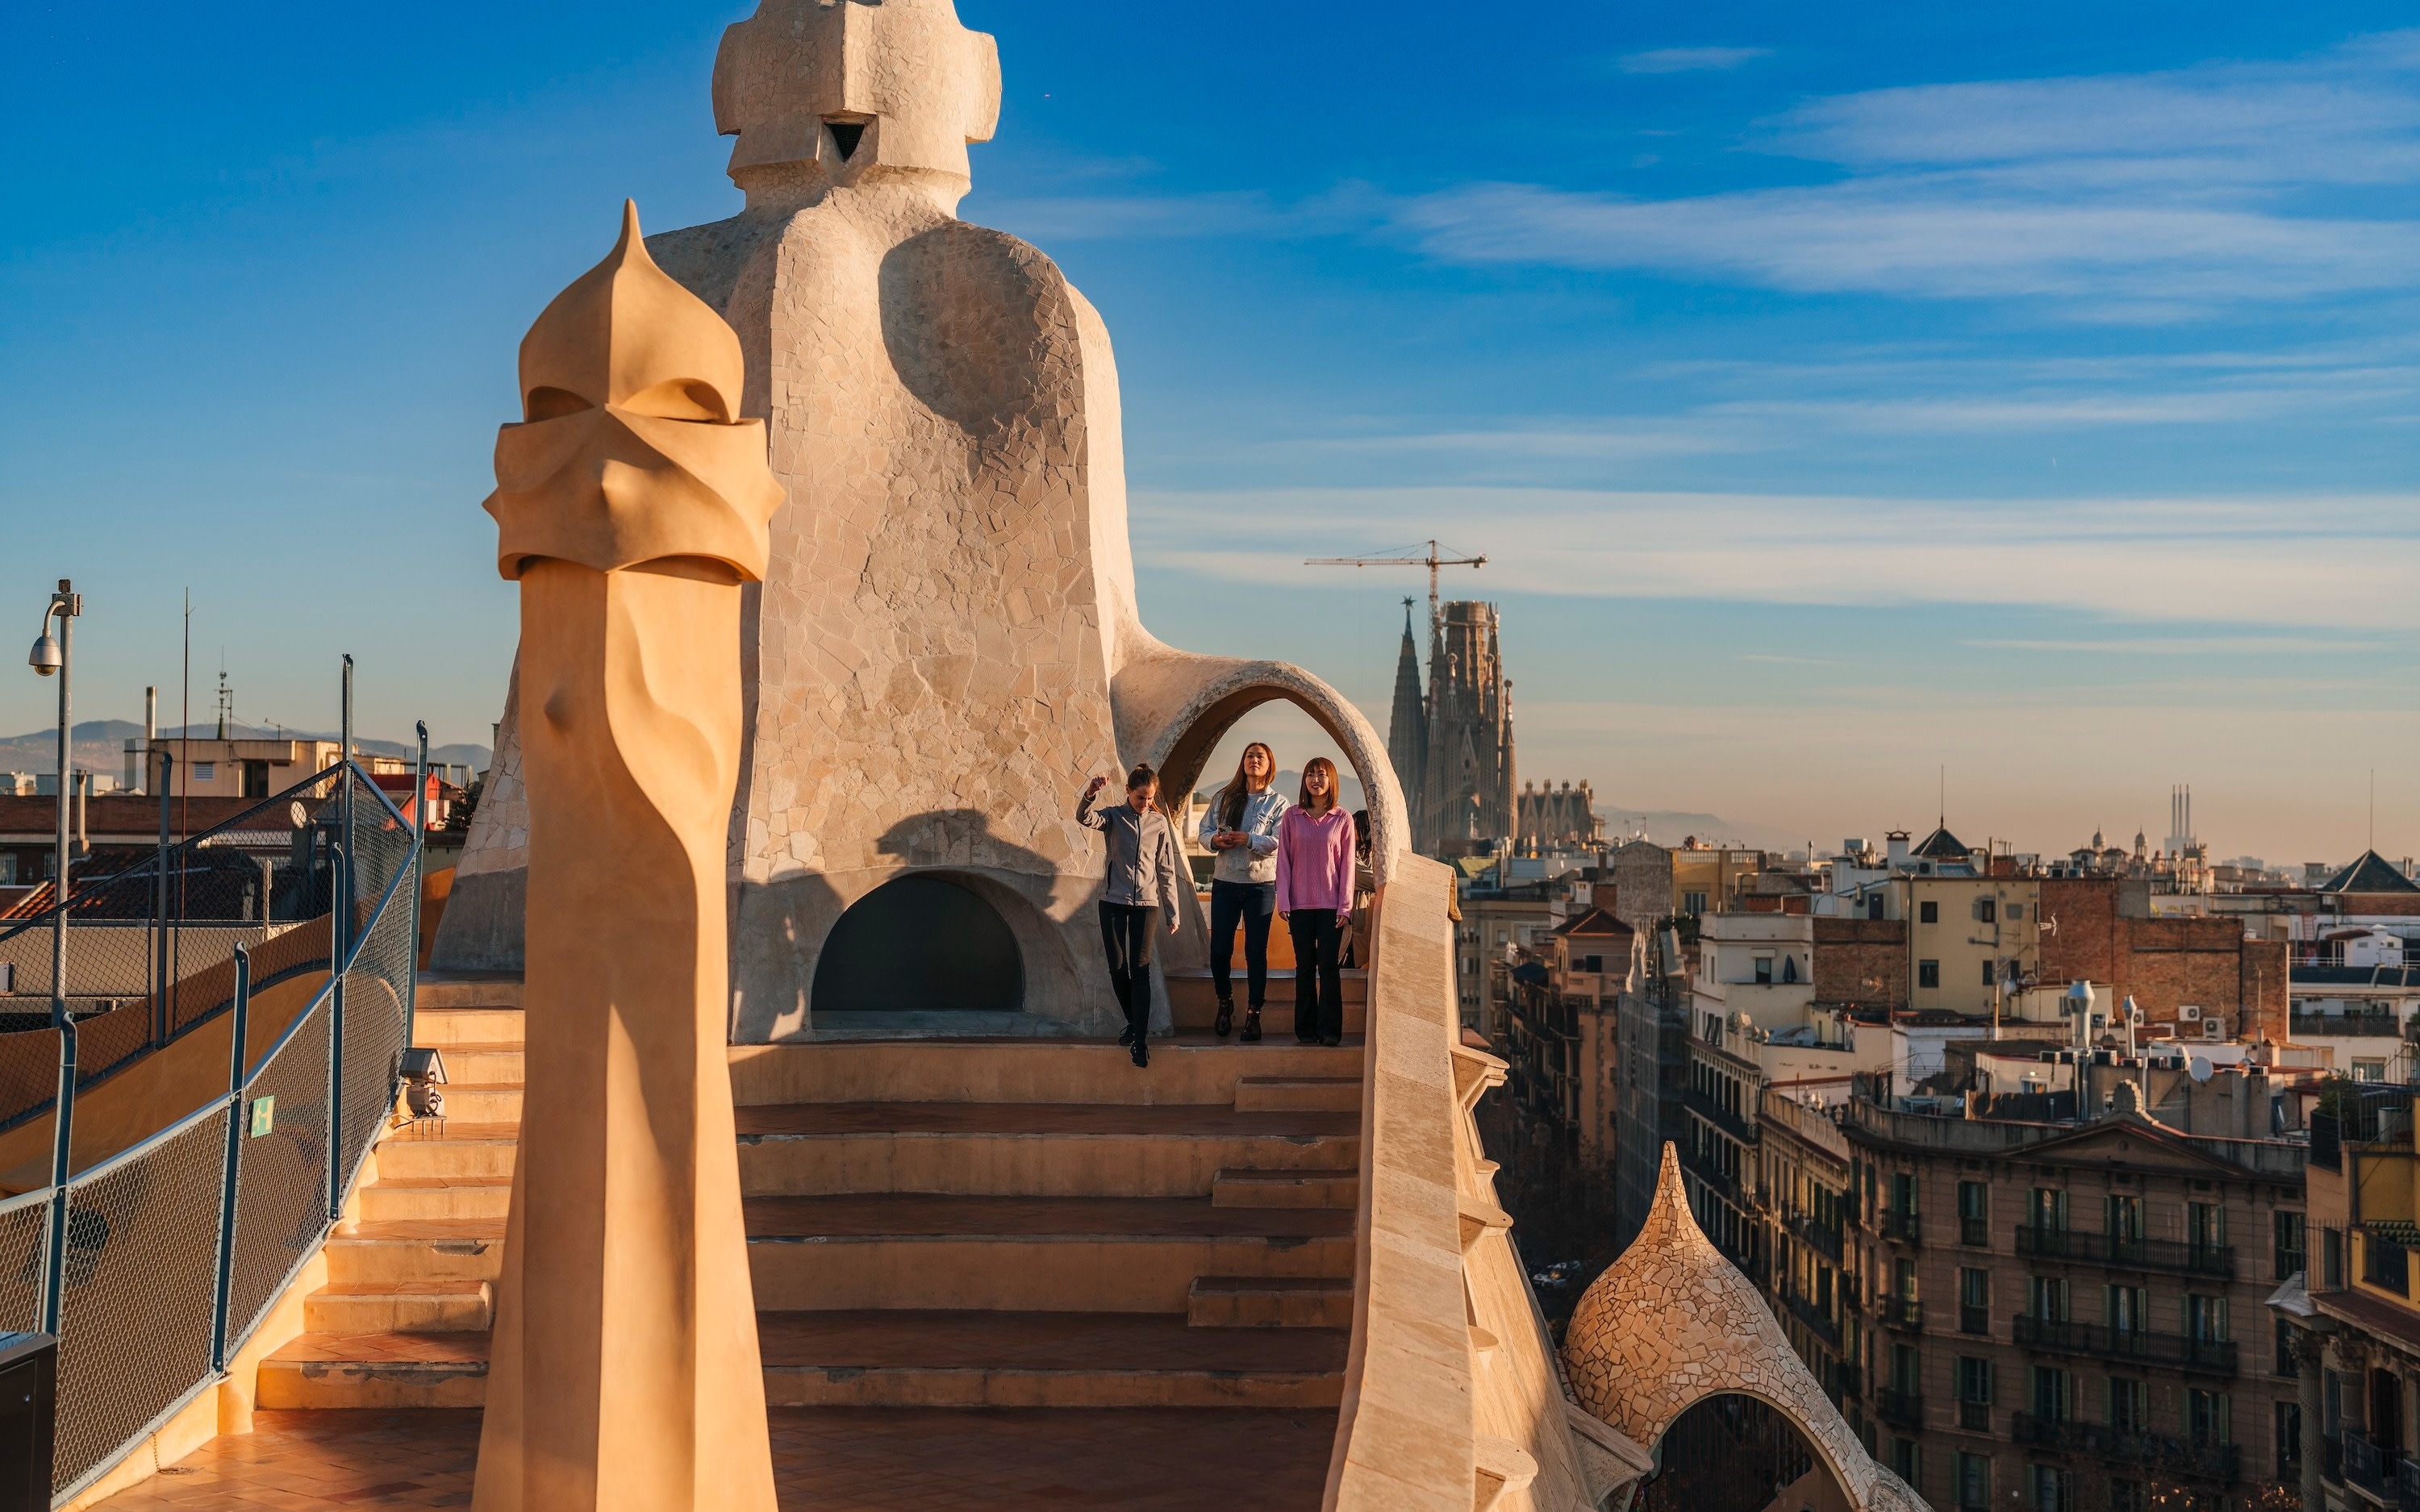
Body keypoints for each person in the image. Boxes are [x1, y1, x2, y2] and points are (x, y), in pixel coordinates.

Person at [1078, 763, 1183, 1067]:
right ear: (1128, 792)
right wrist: (1090, 794)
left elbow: (1166, 869)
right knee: (1117, 967)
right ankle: (1135, 1024)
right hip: (1112, 901)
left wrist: (1173, 913)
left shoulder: (1159, 824)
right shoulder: (1112, 816)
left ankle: (1139, 1041)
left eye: (1150, 798)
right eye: (1140, 797)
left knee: (1141, 970)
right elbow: (1084, 818)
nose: (1145, 803)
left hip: (1146, 905)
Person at [1198, 741, 1288, 1041]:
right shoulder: (1224, 797)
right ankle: (1224, 1001)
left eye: (1260, 756)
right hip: (1225, 882)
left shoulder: (1278, 803)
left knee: (1255, 952)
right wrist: (1216, 841)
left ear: (1269, 764)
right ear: (1243, 761)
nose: (1254, 760)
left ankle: (1253, 1014)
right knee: (1220, 949)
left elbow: (1277, 843)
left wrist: (1248, 839)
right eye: (1249, 755)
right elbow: (1204, 832)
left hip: (1261, 886)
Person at [1274, 757, 1355, 1047]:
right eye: (1311, 774)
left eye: (1322, 774)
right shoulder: (1292, 817)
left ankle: (1330, 1030)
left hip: (1331, 907)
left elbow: (1348, 866)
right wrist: (1283, 900)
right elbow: (1283, 860)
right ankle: (1306, 1029)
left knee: (1329, 968)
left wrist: (1345, 906)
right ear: (1304, 780)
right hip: (1299, 908)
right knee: (1304, 968)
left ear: (1331, 780)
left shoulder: (1342, 819)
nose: (1316, 779)